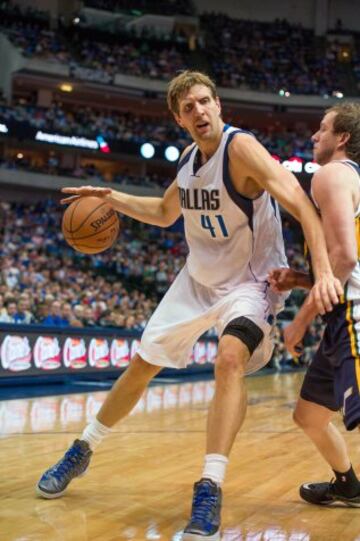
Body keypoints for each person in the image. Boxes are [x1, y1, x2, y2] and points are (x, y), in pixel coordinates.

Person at [36, 71, 342, 540]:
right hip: (197, 280)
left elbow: (301, 204)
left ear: (218, 105)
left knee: (229, 360)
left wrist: (320, 272)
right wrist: (110, 199)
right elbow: (163, 214)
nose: (198, 112)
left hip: (250, 284)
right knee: (142, 365)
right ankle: (82, 449)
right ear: (178, 119)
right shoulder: (187, 160)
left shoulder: (241, 149)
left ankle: (209, 485)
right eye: (188, 108)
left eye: (204, 102)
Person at [269, 102, 360, 508]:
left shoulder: (331, 174)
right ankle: (348, 486)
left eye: (322, 129)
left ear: (342, 138)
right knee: (308, 415)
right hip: (343, 312)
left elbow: (344, 258)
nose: (313, 136)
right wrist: (301, 279)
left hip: (354, 313)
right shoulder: (348, 179)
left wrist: (300, 321)